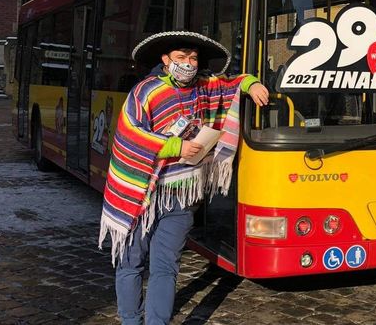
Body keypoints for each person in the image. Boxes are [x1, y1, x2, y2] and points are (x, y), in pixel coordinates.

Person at [98, 31, 268, 325]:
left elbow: (232, 83)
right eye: (181, 57)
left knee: (166, 267)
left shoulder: (203, 88)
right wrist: (177, 146)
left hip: (180, 195)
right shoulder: (145, 91)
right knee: (131, 263)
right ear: (166, 60)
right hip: (140, 195)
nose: (188, 63)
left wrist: (251, 85)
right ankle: (130, 321)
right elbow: (129, 134)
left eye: (192, 58)